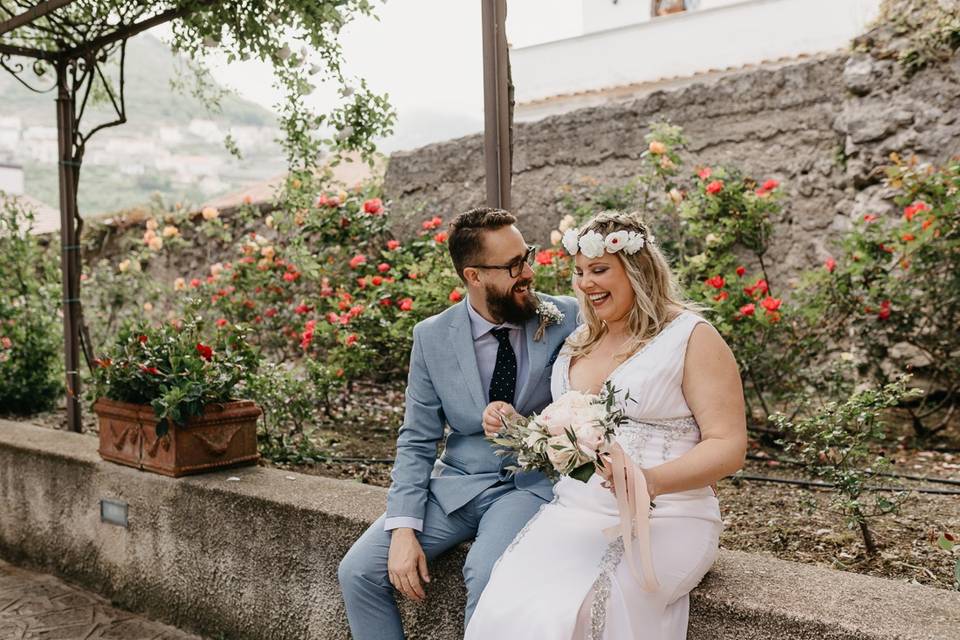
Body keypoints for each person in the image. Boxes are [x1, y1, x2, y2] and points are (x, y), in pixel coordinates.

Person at [465, 210, 747, 640]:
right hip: (574, 513)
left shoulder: (692, 336)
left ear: (638, 270)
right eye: (579, 272)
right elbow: (567, 429)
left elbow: (729, 445)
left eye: (599, 270)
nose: (585, 283)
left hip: (669, 516)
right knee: (506, 608)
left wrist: (647, 481)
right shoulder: (580, 340)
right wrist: (522, 428)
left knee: (589, 612)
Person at [338, 206, 579, 638]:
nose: (528, 272)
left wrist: (529, 426)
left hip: (527, 487)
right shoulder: (432, 337)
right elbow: (416, 440)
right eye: (513, 265)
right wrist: (404, 529)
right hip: (457, 486)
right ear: (474, 276)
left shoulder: (567, 318)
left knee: (487, 575)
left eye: (528, 256)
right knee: (358, 572)